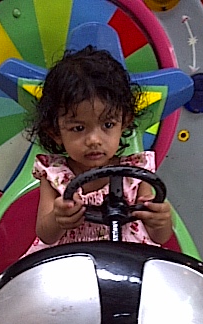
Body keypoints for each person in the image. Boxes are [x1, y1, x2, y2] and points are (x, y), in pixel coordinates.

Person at [24, 46, 178, 255]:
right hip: (69, 263)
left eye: (107, 125)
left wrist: (160, 221)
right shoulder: (54, 174)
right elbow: (45, 235)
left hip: (126, 260)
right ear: (56, 132)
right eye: (78, 128)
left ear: (124, 123)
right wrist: (58, 219)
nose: (94, 140)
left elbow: (160, 237)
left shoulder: (135, 173)